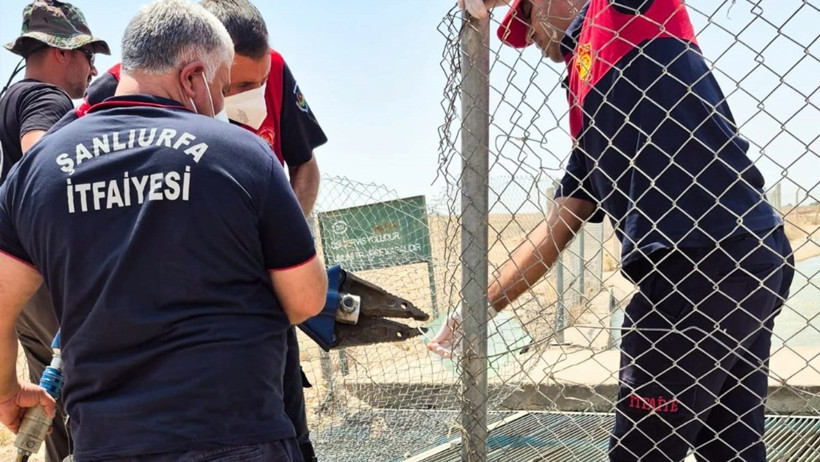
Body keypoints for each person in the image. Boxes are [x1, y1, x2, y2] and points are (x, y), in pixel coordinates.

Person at [431, 1, 794, 461]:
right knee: (730, 448)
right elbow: (553, 233)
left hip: (697, 265)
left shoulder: (624, 15)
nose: (535, 42)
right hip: (748, 257)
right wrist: (476, 311)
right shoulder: (587, 115)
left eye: (529, 20)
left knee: (638, 453)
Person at [0, 1, 328, 460]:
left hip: (107, 443)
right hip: (238, 434)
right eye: (220, 88)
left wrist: (6, 391)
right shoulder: (244, 154)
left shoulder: (39, 168)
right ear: (193, 77)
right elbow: (307, 300)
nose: (222, 106)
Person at [0, 2, 109, 461]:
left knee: (53, 389)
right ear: (63, 52)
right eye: (88, 55)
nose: (92, 68)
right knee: (89, 382)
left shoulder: (9, 98)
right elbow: (47, 172)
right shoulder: (48, 99)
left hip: (14, 275)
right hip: (42, 270)